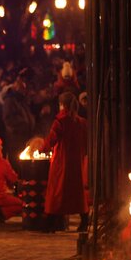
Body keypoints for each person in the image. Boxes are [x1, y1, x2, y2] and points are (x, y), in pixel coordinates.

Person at [35, 91, 89, 232]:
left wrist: (41, 150)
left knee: (57, 192)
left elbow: (51, 139)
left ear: (62, 105)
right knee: (77, 192)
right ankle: (84, 220)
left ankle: (50, 223)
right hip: (77, 162)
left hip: (61, 162)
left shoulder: (60, 121)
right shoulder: (81, 122)